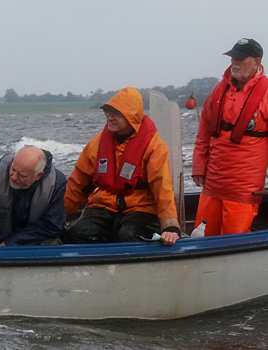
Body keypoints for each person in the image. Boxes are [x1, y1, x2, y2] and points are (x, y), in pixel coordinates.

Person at [65, 87, 181, 246]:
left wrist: (170, 226)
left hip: (141, 208)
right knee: (78, 234)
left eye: (116, 114)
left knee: (130, 237)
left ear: (132, 117)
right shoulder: (97, 144)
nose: (110, 118)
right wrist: (56, 218)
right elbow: (78, 185)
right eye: (107, 112)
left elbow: (163, 188)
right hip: (103, 205)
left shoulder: (154, 147)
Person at [192, 38, 268, 236]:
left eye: (241, 59)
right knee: (200, 238)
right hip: (212, 186)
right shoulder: (219, 90)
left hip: (243, 191)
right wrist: (199, 167)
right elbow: (203, 133)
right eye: (233, 57)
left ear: (257, 62)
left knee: (233, 242)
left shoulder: (266, 94)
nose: (234, 62)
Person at [0, 145, 67, 252]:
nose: (13, 177)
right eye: (13, 169)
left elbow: (52, 224)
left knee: (51, 246)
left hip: (34, 241)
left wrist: (12, 242)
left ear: (38, 176)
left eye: (22, 175)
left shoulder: (56, 182)